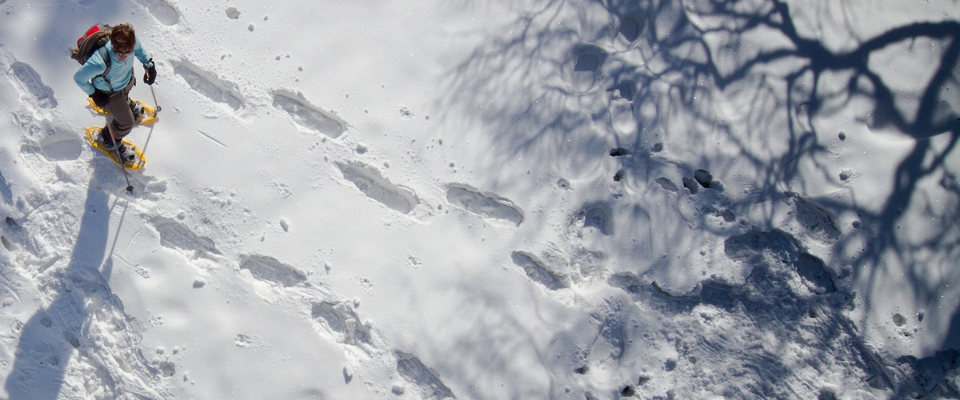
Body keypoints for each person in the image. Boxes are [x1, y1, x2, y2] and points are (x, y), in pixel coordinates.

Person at [73, 23, 157, 163]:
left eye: (128, 52)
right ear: (112, 45)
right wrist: (95, 94)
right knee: (126, 123)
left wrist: (149, 64)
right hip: (109, 92)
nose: (123, 56)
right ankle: (108, 140)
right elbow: (79, 78)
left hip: (125, 80)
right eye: (119, 53)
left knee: (125, 94)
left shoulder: (131, 40)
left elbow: (140, 50)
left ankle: (126, 105)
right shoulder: (99, 62)